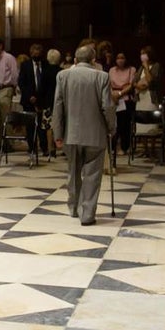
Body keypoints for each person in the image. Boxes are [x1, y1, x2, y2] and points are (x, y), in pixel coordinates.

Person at [53, 45, 116, 226]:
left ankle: (74, 208)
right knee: (93, 175)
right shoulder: (101, 77)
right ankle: (87, 214)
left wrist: (58, 133)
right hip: (95, 134)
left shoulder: (63, 76)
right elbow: (108, 107)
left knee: (73, 172)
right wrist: (111, 128)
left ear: (74, 60)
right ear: (93, 61)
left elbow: (58, 106)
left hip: (70, 134)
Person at [17, 43, 48, 155]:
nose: (36, 54)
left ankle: (44, 147)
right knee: (30, 126)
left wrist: (39, 98)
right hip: (28, 99)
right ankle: (32, 147)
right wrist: (29, 96)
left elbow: (46, 83)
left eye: (38, 53)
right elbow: (21, 82)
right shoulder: (25, 65)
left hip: (42, 100)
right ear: (31, 54)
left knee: (42, 126)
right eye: (34, 53)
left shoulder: (45, 64)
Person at [109, 51, 138, 156]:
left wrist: (120, 93)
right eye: (118, 58)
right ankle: (113, 146)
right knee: (113, 124)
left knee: (124, 124)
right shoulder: (112, 70)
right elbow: (108, 83)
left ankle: (124, 146)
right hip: (113, 98)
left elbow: (131, 85)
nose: (120, 60)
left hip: (126, 98)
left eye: (122, 58)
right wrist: (113, 95)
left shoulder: (132, 69)